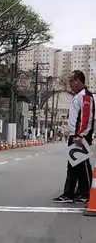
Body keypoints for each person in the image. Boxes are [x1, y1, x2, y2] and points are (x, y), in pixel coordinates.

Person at [53, 70, 94, 204]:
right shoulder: (78, 96)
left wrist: (80, 135)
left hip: (79, 136)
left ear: (79, 81)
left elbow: (86, 118)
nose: (70, 84)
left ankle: (82, 193)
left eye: (72, 81)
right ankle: (77, 193)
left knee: (81, 165)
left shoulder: (85, 96)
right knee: (75, 166)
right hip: (74, 135)